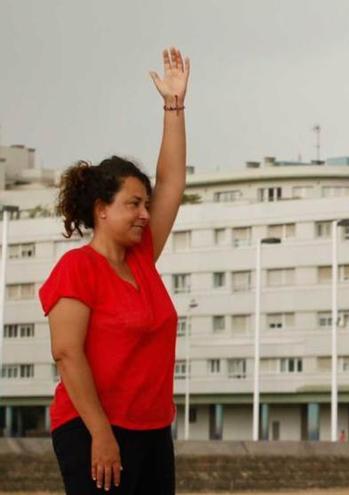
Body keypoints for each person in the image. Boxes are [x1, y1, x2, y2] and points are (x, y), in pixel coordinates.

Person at [40, 47, 190, 494]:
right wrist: (101, 434)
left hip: (151, 431)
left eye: (145, 204)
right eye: (133, 204)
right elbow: (68, 354)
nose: (145, 213)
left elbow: (172, 183)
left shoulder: (142, 259)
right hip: (92, 429)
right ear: (102, 209)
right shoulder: (77, 268)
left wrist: (174, 107)